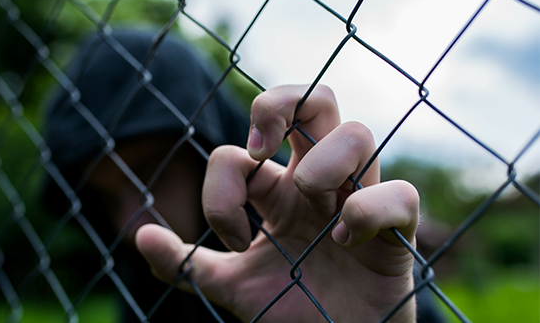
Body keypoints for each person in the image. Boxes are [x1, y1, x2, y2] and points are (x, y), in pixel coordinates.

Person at [43, 30, 443, 322]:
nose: (131, 223)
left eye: (153, 176)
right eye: (107, 197)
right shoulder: (145, 275)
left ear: (203, 151)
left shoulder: (326, 230)